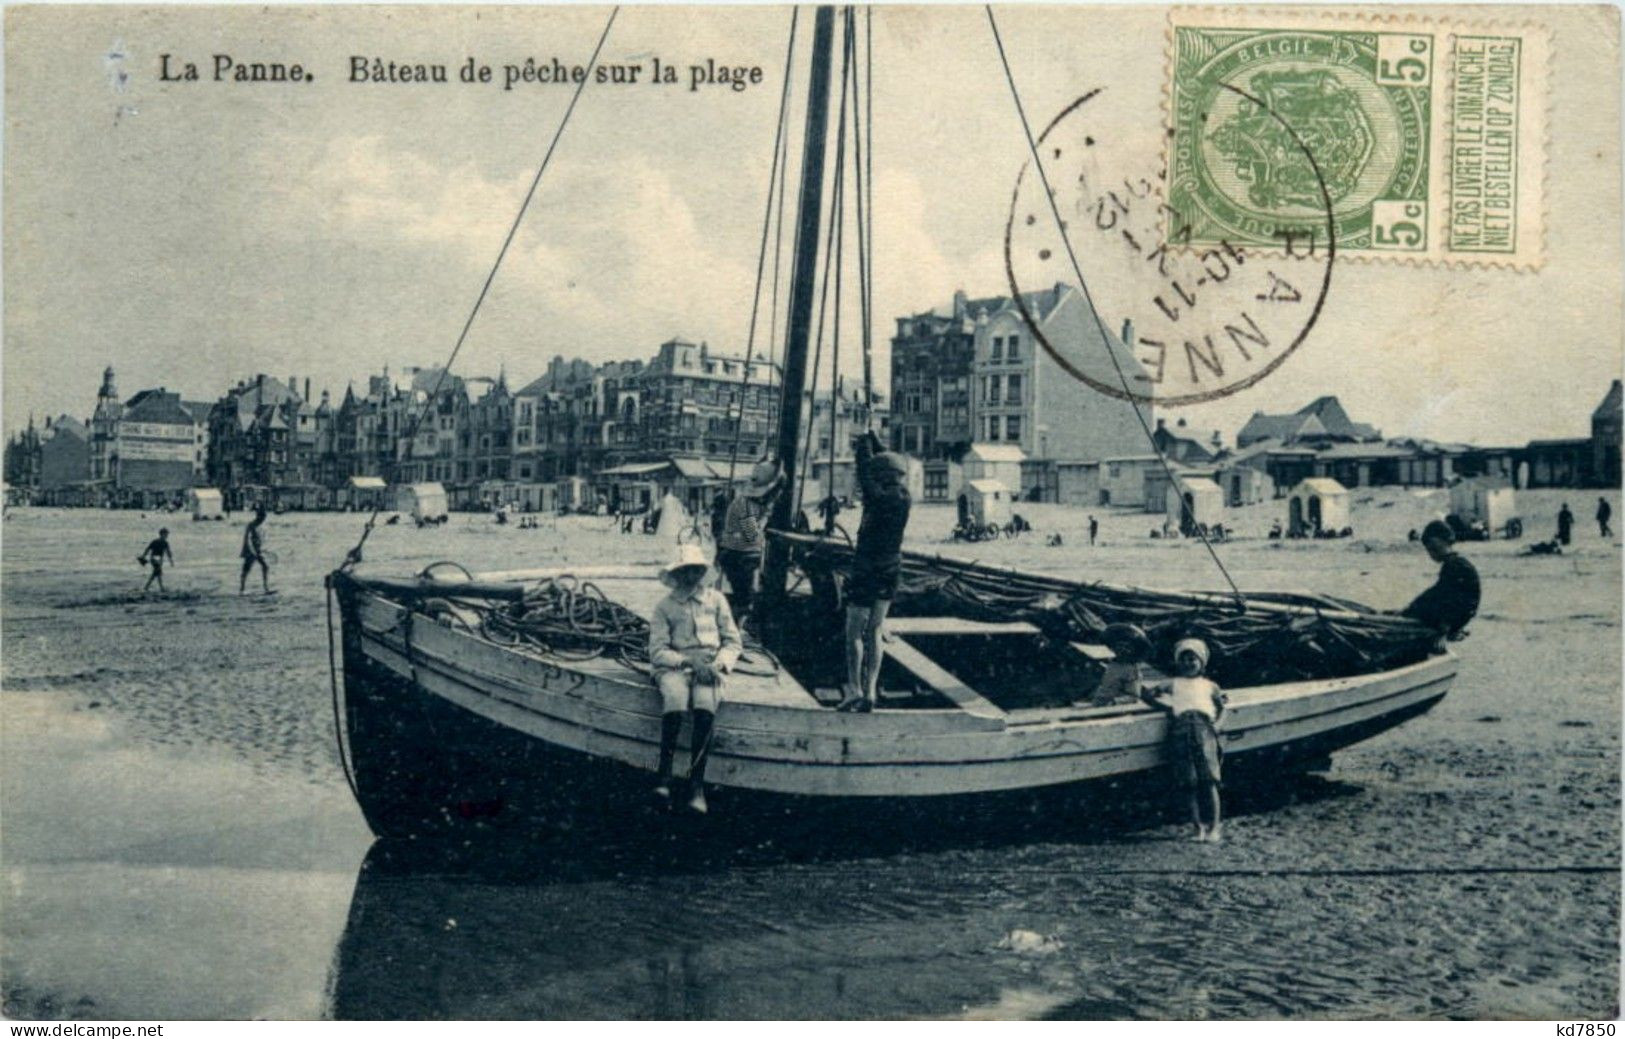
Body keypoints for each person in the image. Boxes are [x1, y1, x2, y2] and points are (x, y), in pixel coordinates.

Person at [647, 543, 742, 814]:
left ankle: (696, 785)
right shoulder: (665, 607)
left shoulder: (717, 600)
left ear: (703, 572)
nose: (692, 577)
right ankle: (664, 777)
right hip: (677, 665)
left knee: (704, 704)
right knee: (675, 698)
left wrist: (719, 664)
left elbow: (733, 642)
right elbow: (657, 650)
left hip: (710, 667)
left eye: (696, 571)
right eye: (686, 571)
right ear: (677, 573)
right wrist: (688, 661)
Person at [838, 431, 912, 713]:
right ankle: (871, 691)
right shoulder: (904, 497)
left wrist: (863, 444)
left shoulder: (875, 495)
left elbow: (863, 466)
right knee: (876, 629)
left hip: (866, 567)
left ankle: (854, 690)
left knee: (853, 632)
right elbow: (884, 462)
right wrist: (876, 441)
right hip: (891, 568)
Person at [1142, 638, 1227, 842]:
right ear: (1178, 662)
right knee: (1188, 781)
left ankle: (1214, 827)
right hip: (1180, 730)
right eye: (1184, 659)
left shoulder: (1210, 685)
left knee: (1209, 780)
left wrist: (1217, 726)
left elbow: (1223, 708)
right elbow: (1146, 693)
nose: (1189, 663)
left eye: (1193, 659)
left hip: (1205, 728)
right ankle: (1197, 828)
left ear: (1202, 662)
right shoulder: (1173, 683)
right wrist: (1165, 707)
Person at [717, 461, 781, 624]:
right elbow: (752, 535)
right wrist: (766, 519)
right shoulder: (745, 505)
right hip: (739, 556)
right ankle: (736, 630)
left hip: (742, 555)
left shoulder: (750, 503)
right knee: (745, 601)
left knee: (746, 597)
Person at [1402, 519, 1481, 640]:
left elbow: (1452, 600)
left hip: (1458, 615)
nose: (1431, 554)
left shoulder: (1454, 566)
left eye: (1432, 549)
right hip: (1462, 613)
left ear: (1440, 543)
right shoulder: (1455, 563)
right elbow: (1438, 591)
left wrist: (1443, 631)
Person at [1078, 622, 1150, 707]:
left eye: (1126, 647)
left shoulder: (1131, 668)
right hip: (1098, 704)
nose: (1121, 650)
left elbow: (1133, 696)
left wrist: (1114, 702)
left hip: (1115, 708)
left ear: (1132, 650)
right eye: (1118, 646)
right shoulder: (1111, 665)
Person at [239, 506, 271, 595]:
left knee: (265, 566)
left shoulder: (262, 526)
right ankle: (242, 589)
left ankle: (266, 588)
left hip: (258, 550)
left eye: (264, 517)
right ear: (258, 516)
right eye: (262, 517)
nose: (263, 519)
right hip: (250, 551)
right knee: (246, 569)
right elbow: (248, 540)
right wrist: (254, 552)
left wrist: (263, 549)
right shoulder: (251, 525)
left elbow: (263, 539)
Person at [139, 527, 174, 594]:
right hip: (155, 559)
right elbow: (148, 549)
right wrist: (143, 556)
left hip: (157, 559)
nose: (167, 535)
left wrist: (171, 561)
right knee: (157, 572)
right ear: (162, 534)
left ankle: (147, 587)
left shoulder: (162, 542)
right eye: (166, 534)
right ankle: (160, 588)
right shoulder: (159, 542)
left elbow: (168, 552)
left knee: (156, 573)